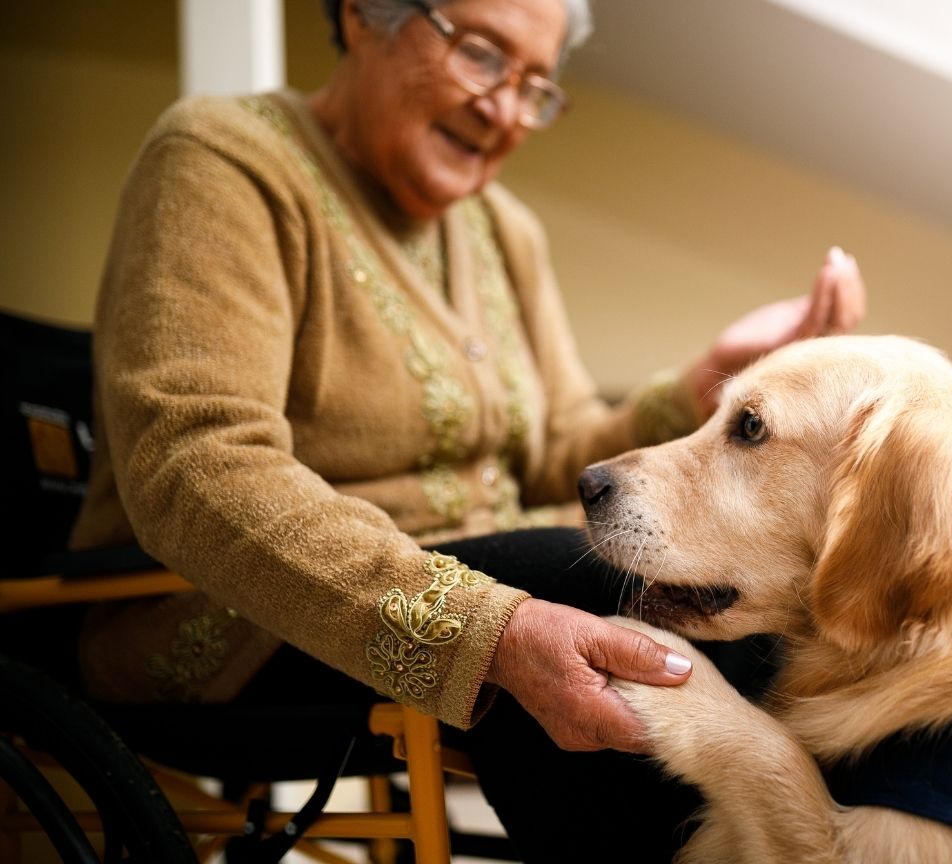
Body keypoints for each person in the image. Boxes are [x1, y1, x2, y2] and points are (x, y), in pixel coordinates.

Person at [70, 0, 864, 857]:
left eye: (534, 88)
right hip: (231, 628)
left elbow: (564, 453)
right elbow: (191, 467)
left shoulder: (501, 230)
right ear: (361, 16)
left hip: (482, 568)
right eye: (482, 56)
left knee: (724, 596)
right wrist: (484, 628)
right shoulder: (222, 162)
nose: (502, 109)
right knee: (612, 597)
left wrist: (708, 377)